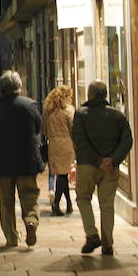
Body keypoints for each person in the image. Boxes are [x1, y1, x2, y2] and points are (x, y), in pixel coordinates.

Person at [72, 80, 133, 256]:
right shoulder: (117, 115)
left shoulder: (81, 114)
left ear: (90, 95)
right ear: (105, 95)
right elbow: (127, 140)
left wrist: (97, 160)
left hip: (87, 165)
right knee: (107, 204)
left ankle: (92, 235)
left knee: (83, 198)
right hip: (110, 168)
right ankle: (108, 244)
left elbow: (80, 141)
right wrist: (112, 160)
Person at [0, 70, 43, 248]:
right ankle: (31, 222)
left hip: (2, 162)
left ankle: (11, 238)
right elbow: (38, 128)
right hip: (26, 160)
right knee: (29, 195)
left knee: (6, 201)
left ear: (1, 88)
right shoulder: (30, 105)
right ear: (19, 86)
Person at [43, 85, 76, 216]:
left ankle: (68, 203)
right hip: (66, 144)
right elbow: (73, 129)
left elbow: (44, 130)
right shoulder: (69, 111)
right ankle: (56, 204)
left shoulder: (48, 111)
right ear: (65, 97)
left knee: (61, 174)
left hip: (53, 145)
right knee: (63, 175)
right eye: (70, 96)